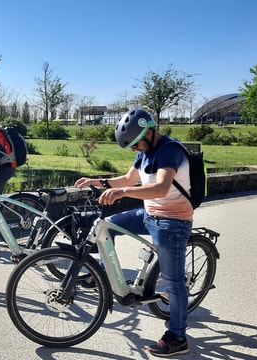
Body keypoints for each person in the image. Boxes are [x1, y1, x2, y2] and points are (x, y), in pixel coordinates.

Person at [74, 108, 193, 357]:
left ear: (149, 133)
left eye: (134, 143)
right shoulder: (145, 150)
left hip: (172, 220)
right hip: (148, 214)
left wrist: (124, 193)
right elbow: (128, 178)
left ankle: (178, 337)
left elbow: (161, 188)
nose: (132, 150)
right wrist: (96, 181)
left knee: (173, 282)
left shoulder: (169, 150)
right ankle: (104, 276)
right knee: (107, 227)